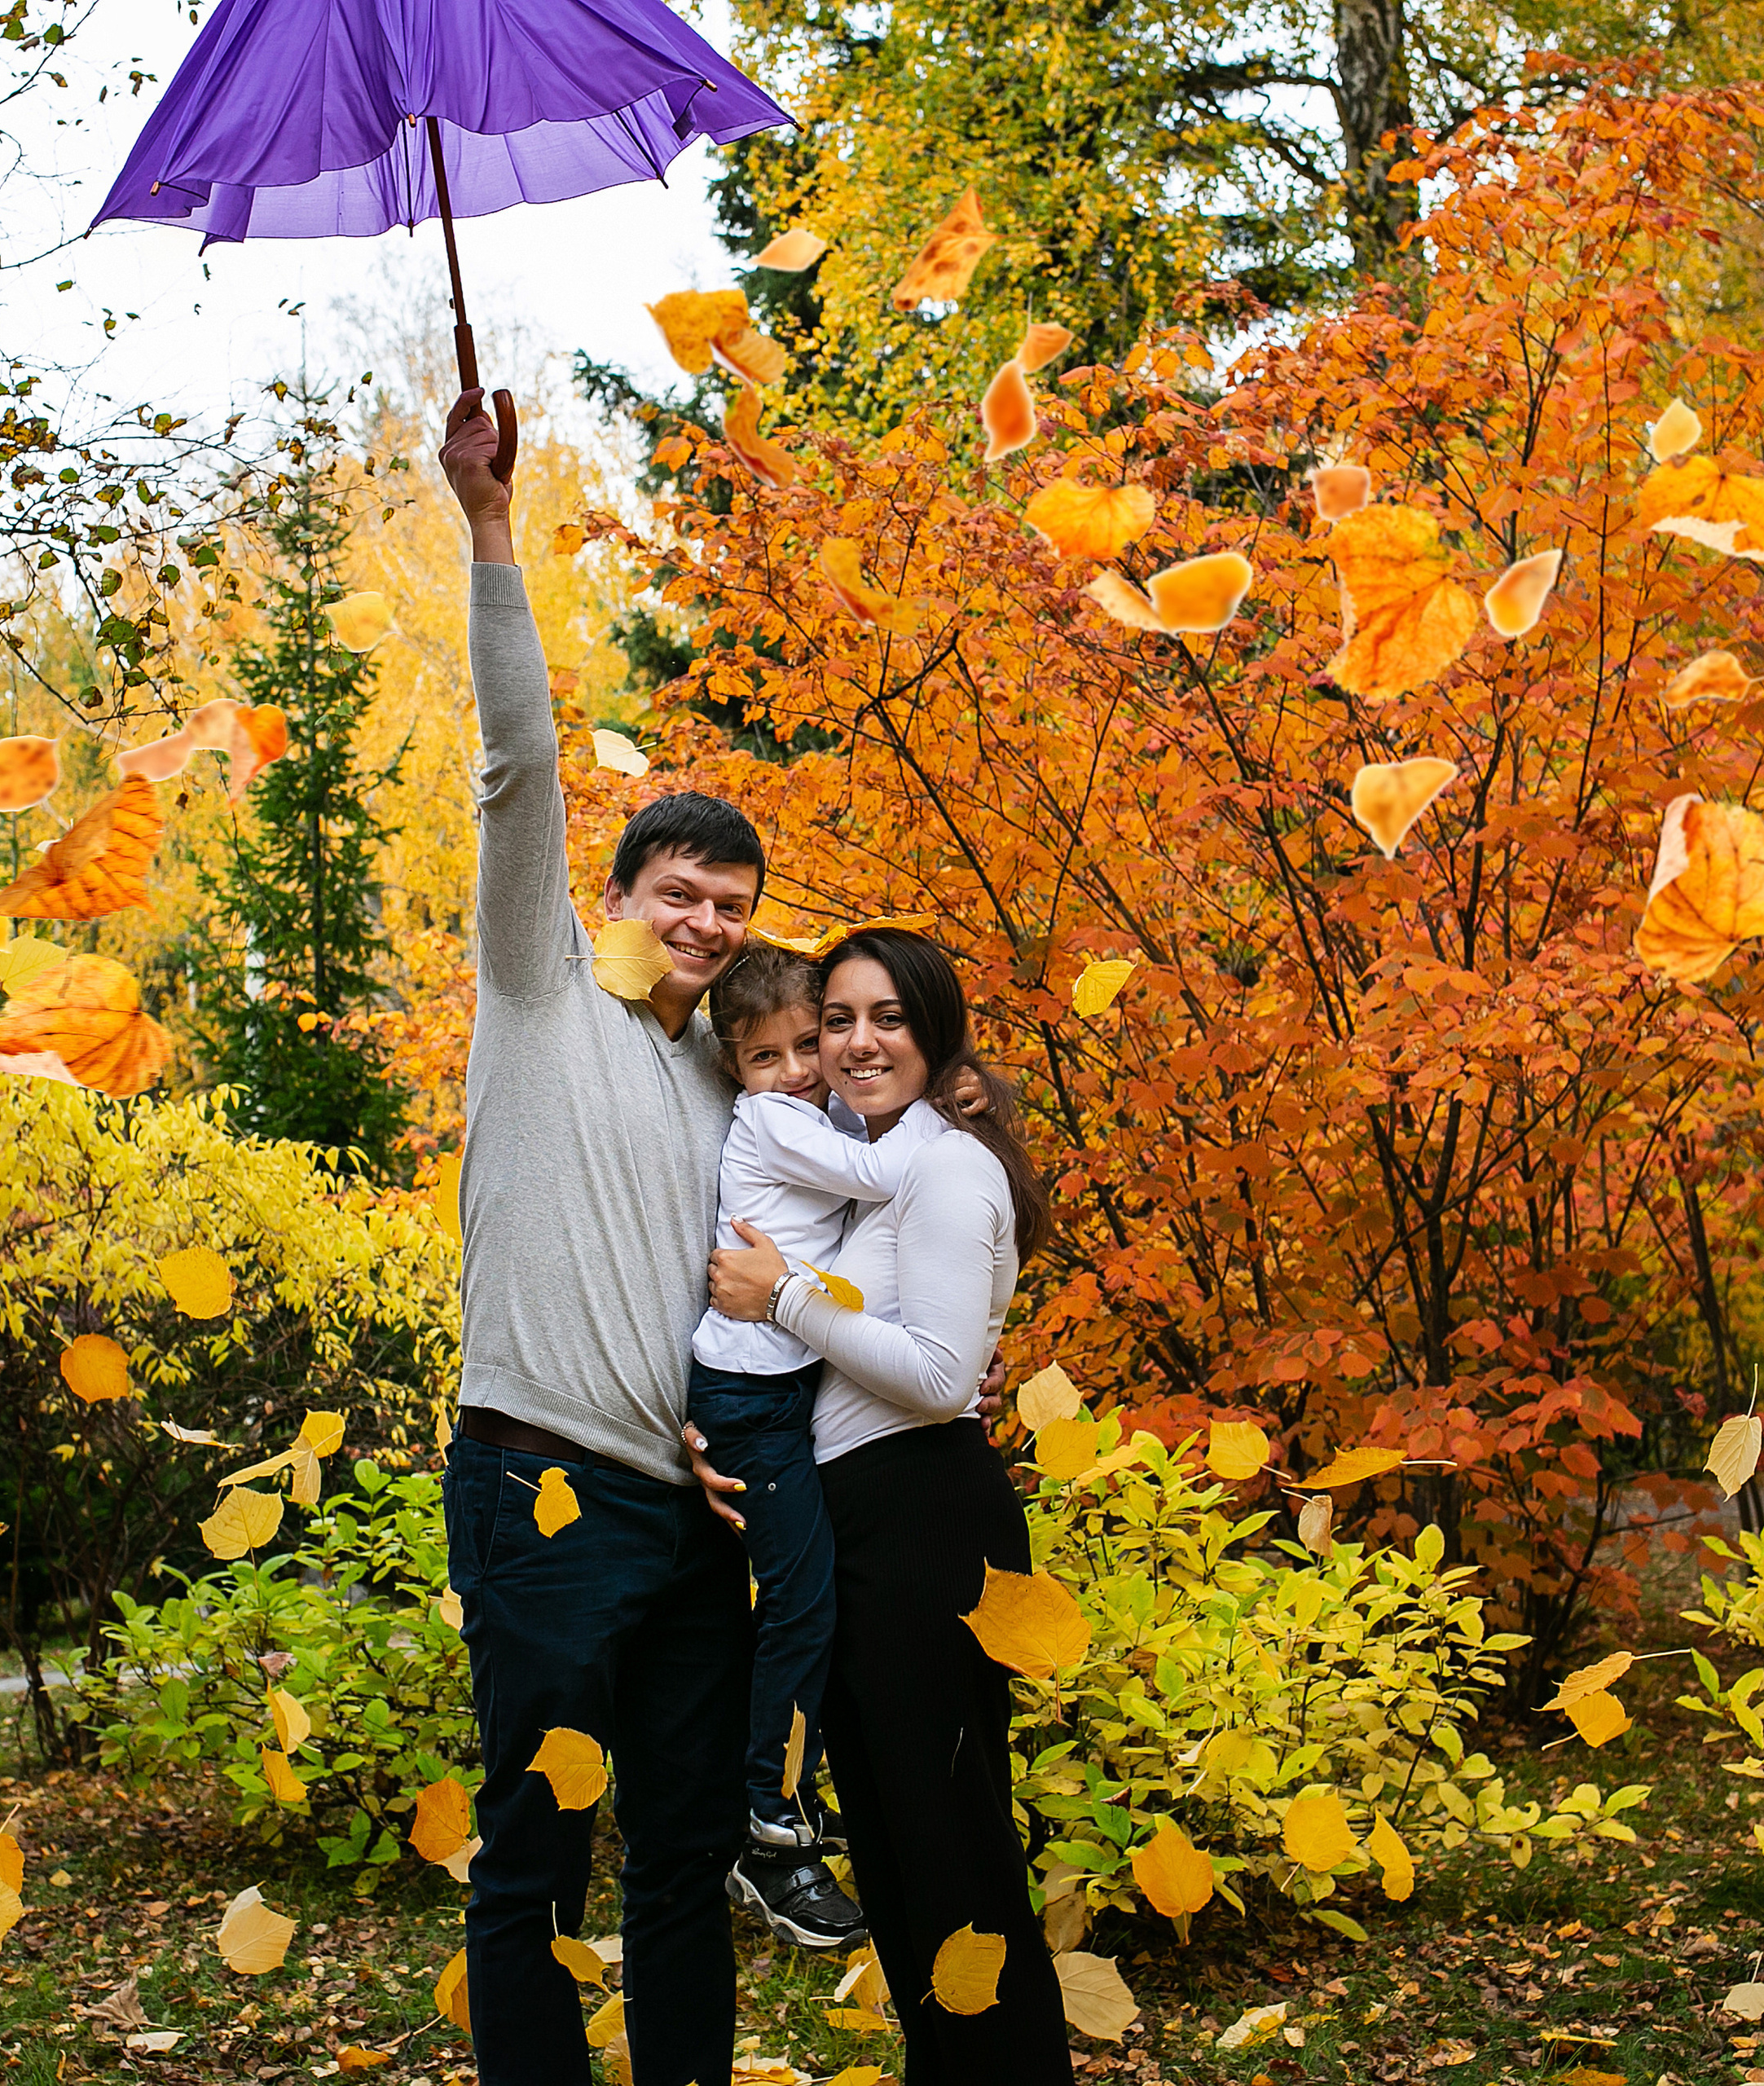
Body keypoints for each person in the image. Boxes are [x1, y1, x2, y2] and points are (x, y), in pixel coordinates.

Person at [436, 387, 760, 2086]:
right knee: (535, 1862)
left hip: (686, 1524)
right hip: (541, 1488)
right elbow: (518, 768)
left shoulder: (729, 1087)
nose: (702, 922)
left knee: (684, 1861)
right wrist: (493, 523)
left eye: (729, 905)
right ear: (620, 893)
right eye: (677, 892)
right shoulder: (539, 985)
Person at [695, 928, 1075, 2084]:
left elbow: (941, 1377)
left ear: (936, 1031)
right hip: (859, 1516)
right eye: (839, 1021)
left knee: (952, 1854)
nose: (857, 1045)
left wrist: (784, 1296)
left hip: (926, 1524)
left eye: (887, 1020)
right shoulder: (871, 1159)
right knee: (904, 1854)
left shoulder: (943, 1166)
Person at [688, 943, 930, 1952]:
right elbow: (882, 1176)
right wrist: (955, 1105)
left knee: (813, 1596)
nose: (793, 1068)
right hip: (750, 1397)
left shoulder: (809, 1108)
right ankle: (767, 1815)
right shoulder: (774, 1121)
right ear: (735, 1070)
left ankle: (787, 1798)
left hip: (782, 1387)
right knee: (800, 1598)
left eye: (804, 1044)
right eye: (763, 1055)